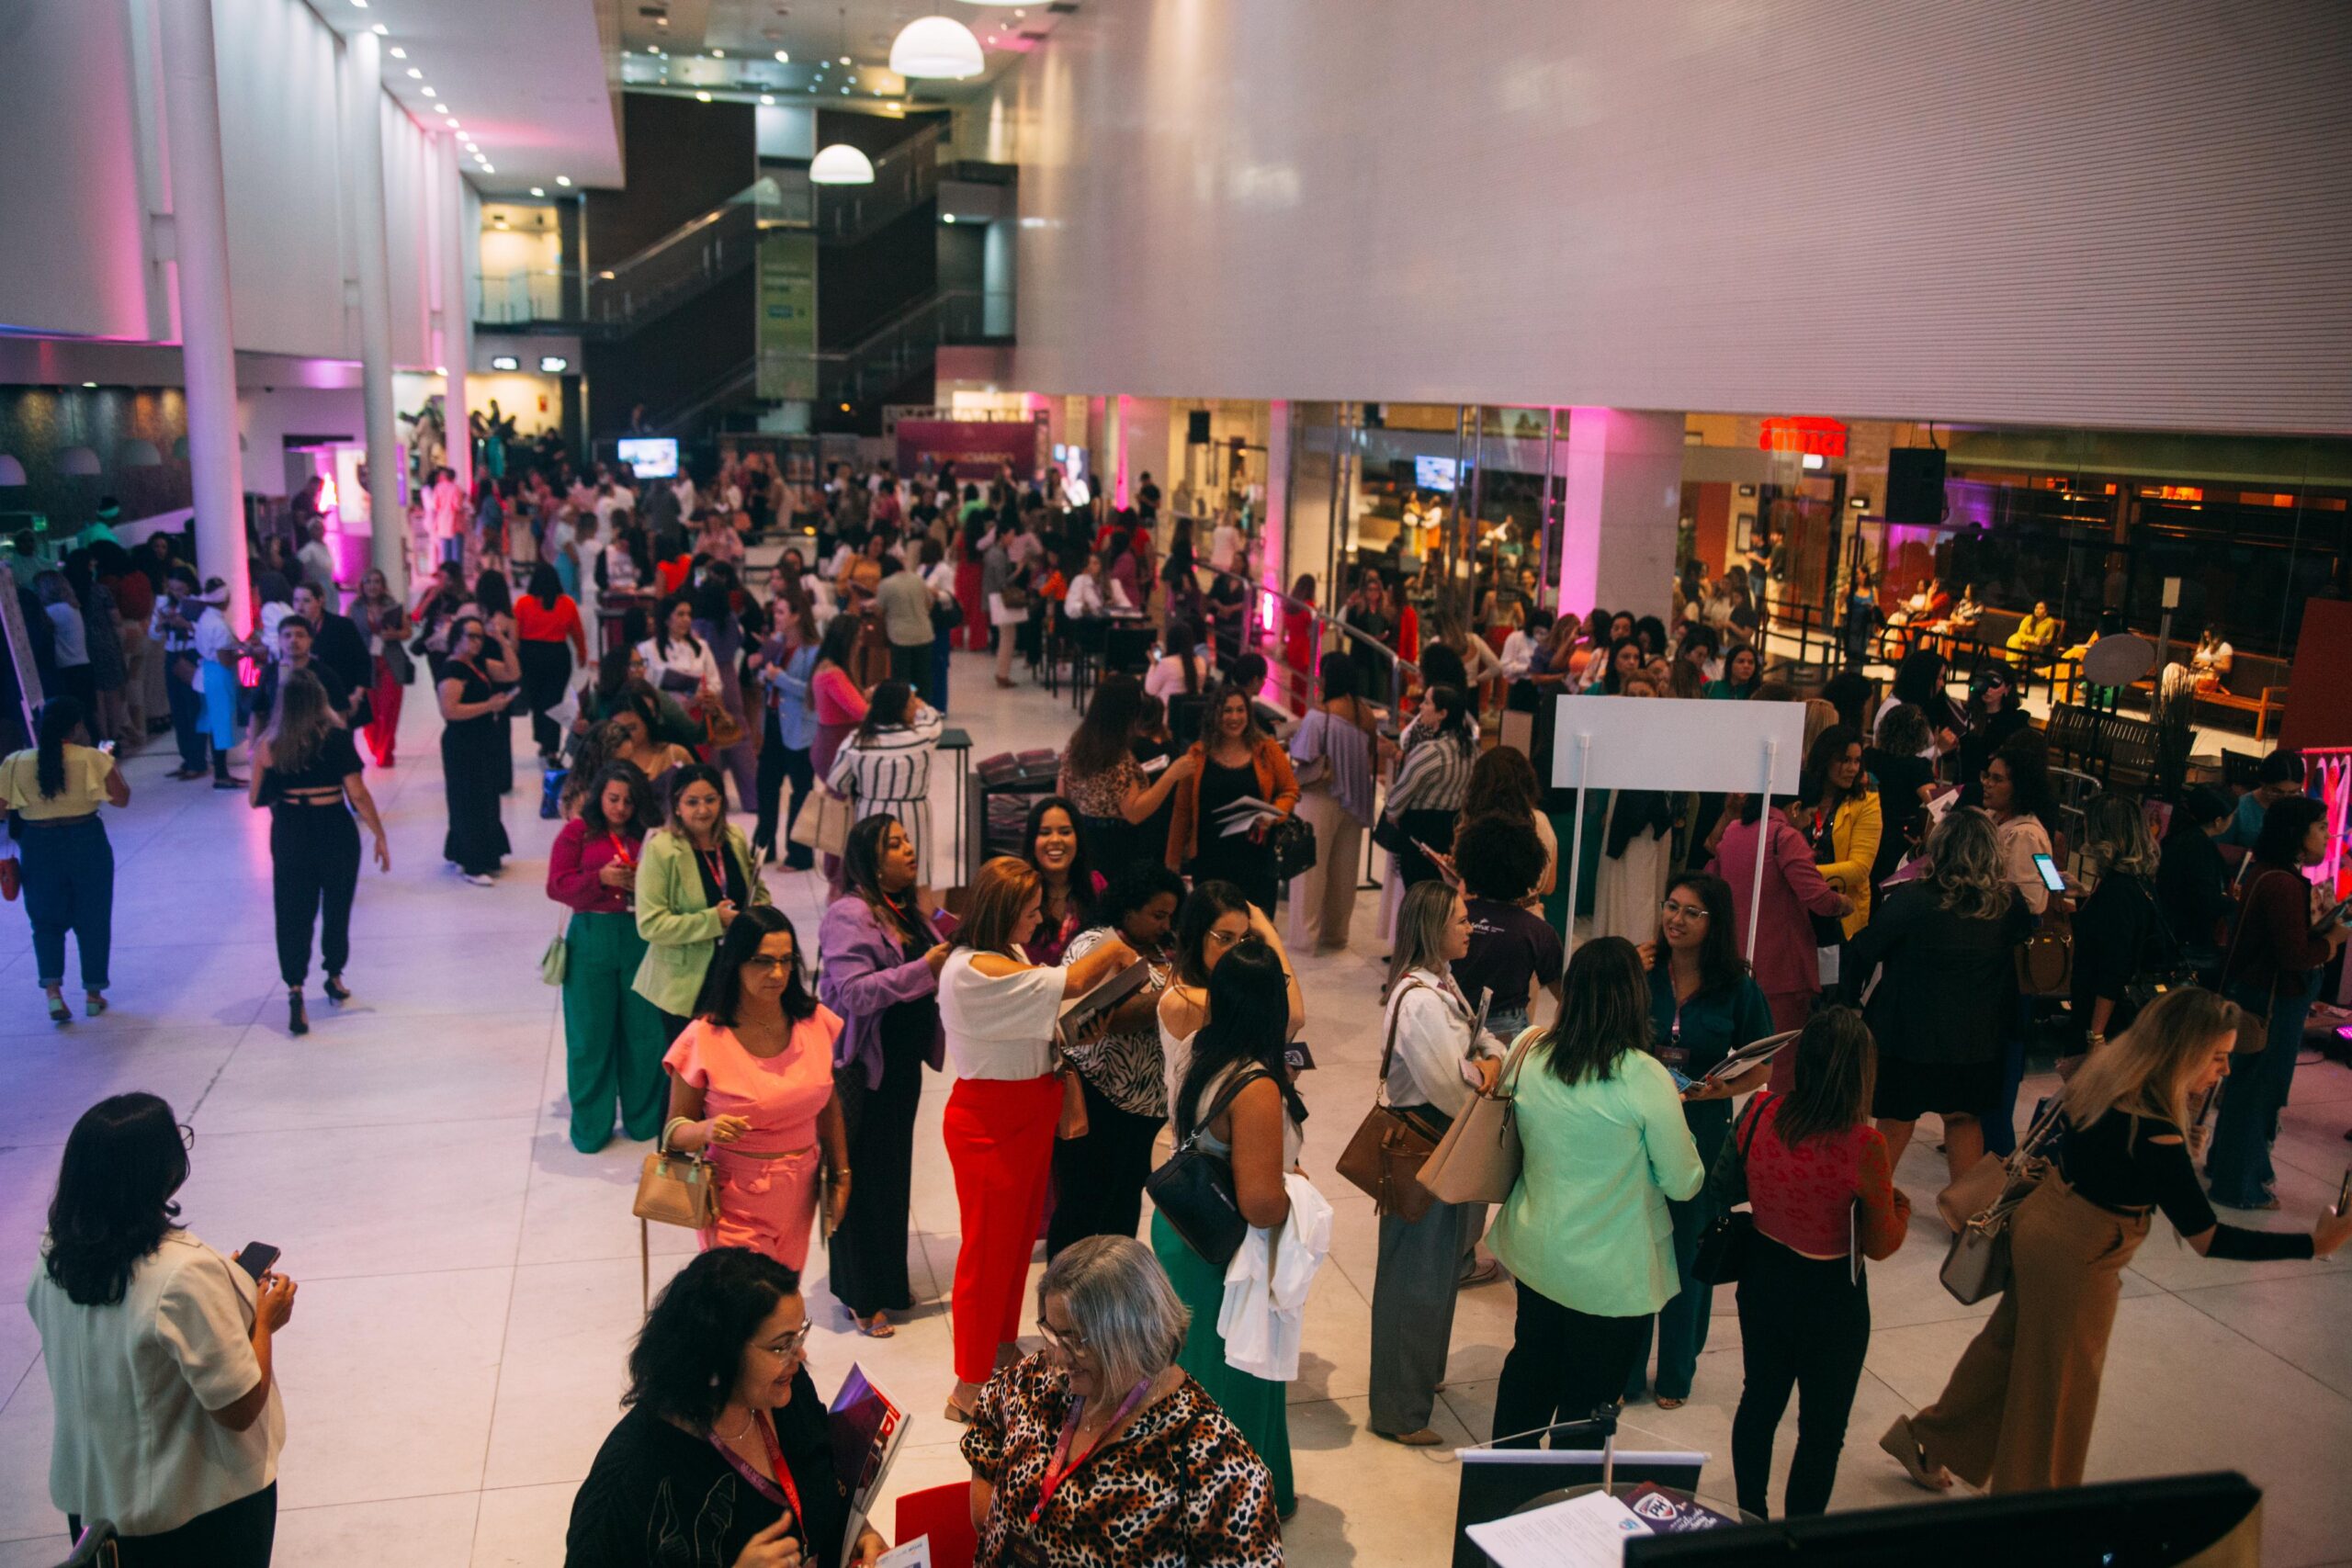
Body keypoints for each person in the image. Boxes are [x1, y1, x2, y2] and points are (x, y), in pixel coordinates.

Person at [1888, 987, 2352, 1495]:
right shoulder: (2155, 1132)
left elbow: (2108, 1158)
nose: (2224, 1070)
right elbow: (2208, 1238)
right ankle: (2035, 1519)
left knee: (2003, 1354)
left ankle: (1927, 1441)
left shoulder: (2109, 1078)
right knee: (2058, 1395)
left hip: (2045, 1225)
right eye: (2216, 1057)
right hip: (2081, 1255)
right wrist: (2313, 1244)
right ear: (2182, 1053)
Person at [28, 1094, 296, 1566]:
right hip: (197, 1516)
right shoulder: (183, 1274)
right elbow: (239, 1407)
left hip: (96, 1508)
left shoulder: (55, 1258)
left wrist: (222, 1290)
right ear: (160, 1170)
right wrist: (264, 1320)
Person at [938, 857, 1138, 1422]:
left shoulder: (1008, 955)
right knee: (985, 1252)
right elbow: (1072, 979)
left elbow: (1042, 1011)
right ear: (1002, 912)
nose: (1037, 922)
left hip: (1026, 1112)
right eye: (1029, 913)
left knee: (1015, 1242)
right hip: (989, 1124)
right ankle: (968, 1386)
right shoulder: (972, 969)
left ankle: (999, 1347)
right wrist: (1120, 947)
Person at [1488, 938, 1705, 1447]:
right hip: (1610, 1275)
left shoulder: (1529, 1049)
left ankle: (1494, 1502)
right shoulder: (1645, 1077)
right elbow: (1684, 1180)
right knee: (1584, 1415)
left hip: (1536, 1251)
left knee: (1528, 1376)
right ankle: (1563, 1511)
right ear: (1634, 997)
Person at [964, 1235, 1282, 1566]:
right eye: (1051, 1332)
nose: (1058, 1356)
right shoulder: (1037, 1381)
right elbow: (987, 1426)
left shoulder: (1215, 1463)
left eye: (1074, 1340)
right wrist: (992, 1526)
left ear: (1132, 1333)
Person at [565, 1247, 888, 1568]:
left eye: (800, 1335)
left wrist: (858, 1532)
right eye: (781, 1346)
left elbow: (826, 1485)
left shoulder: (786, 1392)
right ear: (717, 1354)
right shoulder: (631, 1478)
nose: (799, 1356)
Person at [1734, 1009, 1911, 1518]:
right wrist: (1900, 1205)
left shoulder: (1760, 1113)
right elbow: (1881, 1244)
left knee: (1759, 1404)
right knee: (1821, 1432)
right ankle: (1798, 1539)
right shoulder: (1865, 1147)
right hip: (1830, 1298)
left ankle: (1749, 1518)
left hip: (1763, 1276)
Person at [1153, 939, 1306, 1515]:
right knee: (1237, 1378)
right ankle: (1228, 1511)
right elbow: (1263, 1202)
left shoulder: (1197, 1049)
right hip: (1226, 1251)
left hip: (1182, 1229)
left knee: (1189, 1375)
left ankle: (1184, 1496)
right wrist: (1304, 1202)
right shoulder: (1257, 1085)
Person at [1623, 872, 1774, 1409]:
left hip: (1703, 1130)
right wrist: (1625, 976)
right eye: (1671, 906)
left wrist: (1714, 1092)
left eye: (1691, 912)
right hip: (1638, 1126)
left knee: (1689, 1250)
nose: (1676, 919)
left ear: (1715, 924)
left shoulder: (1739, 987)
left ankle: (1676, 1374)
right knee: (1640, 1246)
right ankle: (1626, 1373)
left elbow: (1761, 1070)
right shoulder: (1642, 971)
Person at [1371, 883, 1506, 1445]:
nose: (1469, 926)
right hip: (1425, 1147)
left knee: (1435, 1273)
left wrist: (1489, 1062)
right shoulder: (1421, 1000)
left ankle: (1419, 1380)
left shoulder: (1440, 984)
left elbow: (1484, 1047)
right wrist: (1487, 1070)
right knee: (1414, 1280)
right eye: (1458, 919)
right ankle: (1400, 1412)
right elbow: (1453, 1086)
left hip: (1442, 1147)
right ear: (1432, 927)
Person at [1842, 808, 2033, 1187]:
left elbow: (1863, 950)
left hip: (1907, 1035)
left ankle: (1867, 1214)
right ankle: (1964, 1221)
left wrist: (1848, 1004)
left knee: (1895, 1122)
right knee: (1964, 1122)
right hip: (1977, 1039)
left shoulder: (1913, 899)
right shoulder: (2008, 905)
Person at [819, 815, 951, 1337]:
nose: (908, 849)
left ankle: (889, 1283)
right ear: (869, 858)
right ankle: (860, 1293)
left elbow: (943, 938)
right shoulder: (849, 913)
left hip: (901, 1065)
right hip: (863, 1068)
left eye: (907, 840)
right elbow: (853, 992)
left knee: (892, 1174)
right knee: (860, 1175)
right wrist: (928, 969)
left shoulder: (908, 907)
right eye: (894, 844)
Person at [662, 908, 849, 1270]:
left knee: (782, 1299)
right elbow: (673, 1134)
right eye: (762, 961)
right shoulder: (704, 1037)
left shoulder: (813, 1022)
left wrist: (842, 1175)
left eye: (785, 960)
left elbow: (828, 1104)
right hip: (734, 1199)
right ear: (735, 963)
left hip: (800, 1192)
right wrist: (706, 1129)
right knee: (747, 1307)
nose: (777, 973)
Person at [2208, 795, 2348, 1210]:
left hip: (2259, 997)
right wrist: (2331, 941)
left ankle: (2230, 1167)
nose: (2327, 834)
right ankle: (2240, 1184)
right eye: (2321, 827)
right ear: (2298, 835)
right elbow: (2293, 956)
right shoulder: (2284, 884)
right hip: (2272, 1004)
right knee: (2259, 1091)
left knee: (2246, 1086)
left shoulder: (2268, 875)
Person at [1049, 863, 1185, 1260]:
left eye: (1171, 916)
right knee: (1082, 1205)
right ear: (1128, 910)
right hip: (1097, 1096)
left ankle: (1110, 1301)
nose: (1166, 924)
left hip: (1147, 1105)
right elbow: (1110, 1018)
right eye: (1158, 915)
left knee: (1124, 1206)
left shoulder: (1165, 950)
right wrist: (1177, 993)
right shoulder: (1095, 943)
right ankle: (1063, 1303)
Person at [250, 671, 388, 1038]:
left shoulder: (270, 744)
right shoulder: (338, 739)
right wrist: (379, 833)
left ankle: (295, 987)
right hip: (334, 827)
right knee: (336, 905)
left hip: (291, 829)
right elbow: (357, 793)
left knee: (292, 909)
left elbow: (254, 798)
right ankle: (334, 975)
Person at [547, 761, 671, 1153]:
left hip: (640, 937)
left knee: (644, 1033)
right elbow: (557, 886)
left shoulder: (649, 837)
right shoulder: (577, 833)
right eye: (613, 799)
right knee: (589, 1035)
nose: (620, 808)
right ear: (599, 796)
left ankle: (644, 1119)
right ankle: (591, 1127)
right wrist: (599, 878)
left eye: (629, 801)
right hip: (591, 938)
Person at [3, 697, 130, 1023]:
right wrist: (107, 762)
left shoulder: (16, 762)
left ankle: (53, 994)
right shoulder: (90, 758)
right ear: (76, 728)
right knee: (93, 918)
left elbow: (1, 808)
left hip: (38, 845)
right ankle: (92, 994)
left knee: (45, 921)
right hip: (86, 840)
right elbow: (121, 799)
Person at [633, 763, 771, 1041]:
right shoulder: (661, 850)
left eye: (710, 800)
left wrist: (757, 914)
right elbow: (650, 925)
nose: (703, 810)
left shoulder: (734, 838)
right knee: (690, 1071)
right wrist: (713, 920)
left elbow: (757, 891)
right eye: (692, 802)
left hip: (736, 970)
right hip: (686, 982)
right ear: (677, 805)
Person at [1711, 792, 1851, 1056]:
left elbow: (1712, 874)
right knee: (1780, 1057)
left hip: (1736, 957)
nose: (1809, 822)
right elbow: (1817, 898)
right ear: (1796, 807)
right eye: (1810, 815)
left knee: (1743, 1051)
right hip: (1782, 966)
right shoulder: (1786, 837)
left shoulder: (1733, 831)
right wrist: (1843, 903)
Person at [1165, 682, 1301, 915]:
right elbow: (1182, 811)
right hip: (1209, 860)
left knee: (1254, 932)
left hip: (1256, 859)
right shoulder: (1197, 755)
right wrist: (1172, 862)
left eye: (1240, 710)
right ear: (1215, 715)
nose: (1235, 717)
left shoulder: (1267, 749)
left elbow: (1290, 790)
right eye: (1227, 710)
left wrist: (1271, 815)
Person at [1058, 675, 1198, 875]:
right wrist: (1171, 775)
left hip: (1082, 834)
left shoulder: (1079, 741)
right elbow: (1134, 812)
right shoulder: (1117, 756)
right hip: (1116, 845)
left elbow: (1062, 792)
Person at [2068, 795, 2166, 1060]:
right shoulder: (2137, 881)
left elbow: (2114, 967)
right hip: (2122, 1016)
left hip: (2106, 1018)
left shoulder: (2118, 891)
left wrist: (2096, 1035)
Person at [823, 679, 945, 891]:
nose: (913, 707)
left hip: (870, 814)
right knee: (919, 884)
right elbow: (933, 718)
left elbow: (837, 781)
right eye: (910, 703)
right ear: (902, 708)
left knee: (872, 882)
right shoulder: (923, 737)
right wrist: (919, 701)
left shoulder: (857, 740)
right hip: (914, 814)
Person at [1451, 813, 1563, 1042]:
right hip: (1506, 1029)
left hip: (1452, 1019)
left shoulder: (1453, 917)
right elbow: (1564, 994)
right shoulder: (1537, 930)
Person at [435, 615, 518, 885]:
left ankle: (474, 854)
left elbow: (512, 673)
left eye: (479, 636)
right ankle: (472, 862)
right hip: (462, 743)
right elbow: (449, 710)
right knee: (468, 800)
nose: (476, 642)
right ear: (456, 638)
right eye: (470, 636)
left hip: (482, 740)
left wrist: (503, 642)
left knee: (484, 798)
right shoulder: (453, 669)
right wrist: (489, 706)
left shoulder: (478, 663)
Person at [1381, 682, 1476, 891]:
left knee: (1420, 901)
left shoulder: (1430, 751)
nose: (1421, 707)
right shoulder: (1471, 750)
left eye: (1427, 702)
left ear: (1442, 713)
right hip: (1451, 834)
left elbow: (1397, 801)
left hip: (1420, 839)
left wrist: (1393, 813)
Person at [1804, 724, 1882, 938]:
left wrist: (1803, 876)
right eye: (1845, 760)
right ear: (1825, 759)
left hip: (1840, 918)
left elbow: (1859, 869)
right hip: (1796, 911)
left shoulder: (1866, 803)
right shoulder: (1803, 795)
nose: (1853, 768)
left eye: (1857, 761)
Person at [515, 562, 588, 765]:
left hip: (530, 656)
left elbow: (516, 633)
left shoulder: (523, 604)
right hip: (558, 655)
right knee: (554, 701)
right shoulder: (567, 603)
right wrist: (582, 653)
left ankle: (543, 741)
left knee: (537, 701)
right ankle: (552, 748)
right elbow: (577, 631)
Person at [2155, 784, 2233, 968]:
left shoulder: (2179, 835)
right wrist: (2235, 903)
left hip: (2170, 930)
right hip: (2187, 940)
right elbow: (2204, 899)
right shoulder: (2199, 848)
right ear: (2218, 821)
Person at [1020, 795, 1102, 967]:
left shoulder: (1096, 885)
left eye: (1065, 832)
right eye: (1044, 833)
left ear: (1078, 839)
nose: (1055, 840)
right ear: (1032, 842)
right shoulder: (1016, 891)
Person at [351, 569, 412, 767]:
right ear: (362, 585)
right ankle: (376, 746)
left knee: (388, 709)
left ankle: (386, 752)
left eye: (376, 581)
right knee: (370, 711)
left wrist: (395, 635)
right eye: (368, 582)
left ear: (383, 585)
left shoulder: (393, 607)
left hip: (390, 662)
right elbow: (347, 634)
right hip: (364, 663)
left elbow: (407, 632)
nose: (372, 586)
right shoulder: (354, 608)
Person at [2219, 749, 2305, 850]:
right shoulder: (2240, 811)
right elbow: (2219, 848)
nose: (2285, 799)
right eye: (2277, 792)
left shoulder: (2303, 808)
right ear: (2263, 784)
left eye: (2293, 792)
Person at [2004, 598, 2061, 666]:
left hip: (2035, 646)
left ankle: (2011, 668)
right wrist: (2032, 639)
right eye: (2036, 608)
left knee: (2015, 644)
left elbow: (2049, 638)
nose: (2037, 610)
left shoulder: (2050, 622)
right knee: (2014, 639)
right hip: (2024, 643)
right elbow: (2020, 633)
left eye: (2041, 608)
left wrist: (2041, 641)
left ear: (2046, 612)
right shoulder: (2029, 618)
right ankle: (2013, 668)